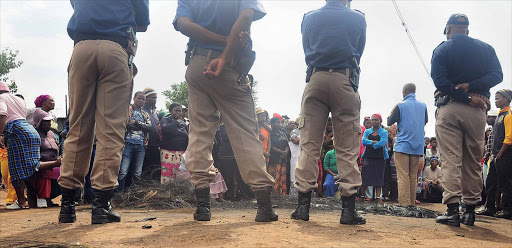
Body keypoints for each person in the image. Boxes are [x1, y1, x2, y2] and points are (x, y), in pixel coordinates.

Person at [174, 0, 277, 222]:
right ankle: (264, 206)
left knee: (200, 132)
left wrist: (219, 42)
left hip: (198, 62)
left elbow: (183, 24)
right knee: (244, 133)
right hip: (229, 63)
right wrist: (227, 44)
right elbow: (246, 17)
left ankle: (202, 206)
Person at [58, 0, 149, 224]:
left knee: (78, 127)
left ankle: (67, 207)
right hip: (115, 49)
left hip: (81, 49)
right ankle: (101, 205)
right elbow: (143, 23)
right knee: (110, 131)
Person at [293, 0, 366, 225]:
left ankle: (303, 207)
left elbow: (306, 46)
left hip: (315, 78)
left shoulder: (309, 17)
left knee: (309, 145)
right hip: (344, 79)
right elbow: (359, 50)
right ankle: (348, 210)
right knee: (347, 147)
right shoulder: (358, 17)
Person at [431, 13, 503, 227]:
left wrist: (464, 95)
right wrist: (472, 88)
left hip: (450, 107)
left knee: (451, 159)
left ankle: (453, 211)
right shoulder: (486, 49)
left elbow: (440, 82)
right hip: (477, 110)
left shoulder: (441, 49)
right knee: (473, 160)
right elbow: (497, 75)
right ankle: (470, 211)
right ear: (468, 31)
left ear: (447, 30)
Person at [0, 82, 41, 210]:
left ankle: (22, 202)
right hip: (31, 131)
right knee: (31, 166)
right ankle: (37, 199)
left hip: (16, 132)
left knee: (16, 168)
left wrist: (0, 134)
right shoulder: (18, 99)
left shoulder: (1, 98)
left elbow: (2, 115)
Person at [387, 83, 428, 206]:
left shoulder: (400, 105)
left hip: (403, 145)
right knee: (412, 175)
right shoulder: (423, 106)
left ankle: (404, 204)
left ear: (404, 91)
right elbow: (425, 121)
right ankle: (411, 203)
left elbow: (389, 120)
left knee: (403, 175)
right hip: (417, 147)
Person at [117, 92, 151, 191]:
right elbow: (125, 124)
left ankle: (135, 195)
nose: (141, 101)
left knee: (137, 172)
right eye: (139, 98)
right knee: (123, 170)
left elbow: (149, 127)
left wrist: (135, 122)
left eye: (143, 99)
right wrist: (141, 125)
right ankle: (119, 194)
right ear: (134, 98)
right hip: (127, 144)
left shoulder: (145, 114)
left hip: (141, 145)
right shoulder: (127, 110)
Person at [30, 108, 62, 208]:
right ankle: (43, 198)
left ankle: (50, 197)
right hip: (41, 163)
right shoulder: (34, 134)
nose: (49, 124)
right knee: (46, 172)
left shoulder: (51, 134)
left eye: (49, 122)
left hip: (54, 162)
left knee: (67, 174)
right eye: (46, 122)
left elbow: (58, 147)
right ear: (39, 122)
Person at [492, 89, 512, 219]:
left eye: (498, 98)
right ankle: (496, 207)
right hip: (497, 155)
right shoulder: (499, 115)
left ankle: (508, 210)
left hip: (505, 155)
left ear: (506, 99)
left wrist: (500, 154)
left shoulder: (508, 116)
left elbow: (509, 138)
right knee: (497, 183)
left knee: (506, 184)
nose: (495, 100)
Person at [361, 114, 389, 203]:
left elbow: (382, 143)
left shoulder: (384, 132)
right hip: (368, 156)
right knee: (365, 177)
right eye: (372, 120)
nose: (373, 122)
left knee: (379, 177)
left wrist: (372, 144)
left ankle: (378, 197)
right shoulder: (367, 131)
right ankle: (364, 196)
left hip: (380, 157)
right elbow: (363, 141)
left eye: (376, 120)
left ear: (380, 121)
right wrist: (373, 142)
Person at [477, 109, 499, 216]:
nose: (486, 119)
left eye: (489, 117)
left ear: (495, 118)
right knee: (489, 184)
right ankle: (489, 206)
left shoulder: (498, 129)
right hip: (490, 160)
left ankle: (494, 207)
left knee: (497, 184)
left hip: (496, 158)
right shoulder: (494, 130)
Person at [160, 103, 189, 184]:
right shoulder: (165, 120)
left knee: (179, 172)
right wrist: (176, 122)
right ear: (170, 111)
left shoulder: (183, 123)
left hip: (181, 152)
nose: (178, 112)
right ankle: (166, 191)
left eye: (180, 111)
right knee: (168, 173)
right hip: (168, 151)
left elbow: (187, 136)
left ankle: (178, 192)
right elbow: (166, 130)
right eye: (176, 111)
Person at [141, 88, 161, 179]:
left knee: (154, 166)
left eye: (156, 97)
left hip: (155, 144)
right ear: (146, 98)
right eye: (152, 97)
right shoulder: (141, 110)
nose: (155, 99)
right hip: (145, 143)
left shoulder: (155, 112)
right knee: (145, 166)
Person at [268, 117, 289, 195]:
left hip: (283, 159)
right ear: (272, 124)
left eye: (280, 122)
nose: (279, 124)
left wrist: (285, 152)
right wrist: (281, 152)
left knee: (282, 177)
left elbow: (287, 144)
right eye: (277, 122)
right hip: (274, 159)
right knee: (274, 177)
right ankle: (273, 194)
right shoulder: (270, 134)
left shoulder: (283, 133)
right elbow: (271, 147)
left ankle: (282, 194)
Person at [288, 118, 301, 196]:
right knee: (295, 177)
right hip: (296, 158)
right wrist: (307, 139)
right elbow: (295, 140)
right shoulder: (295, 131)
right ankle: (294, 197)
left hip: (307, 157)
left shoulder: (310, 131)